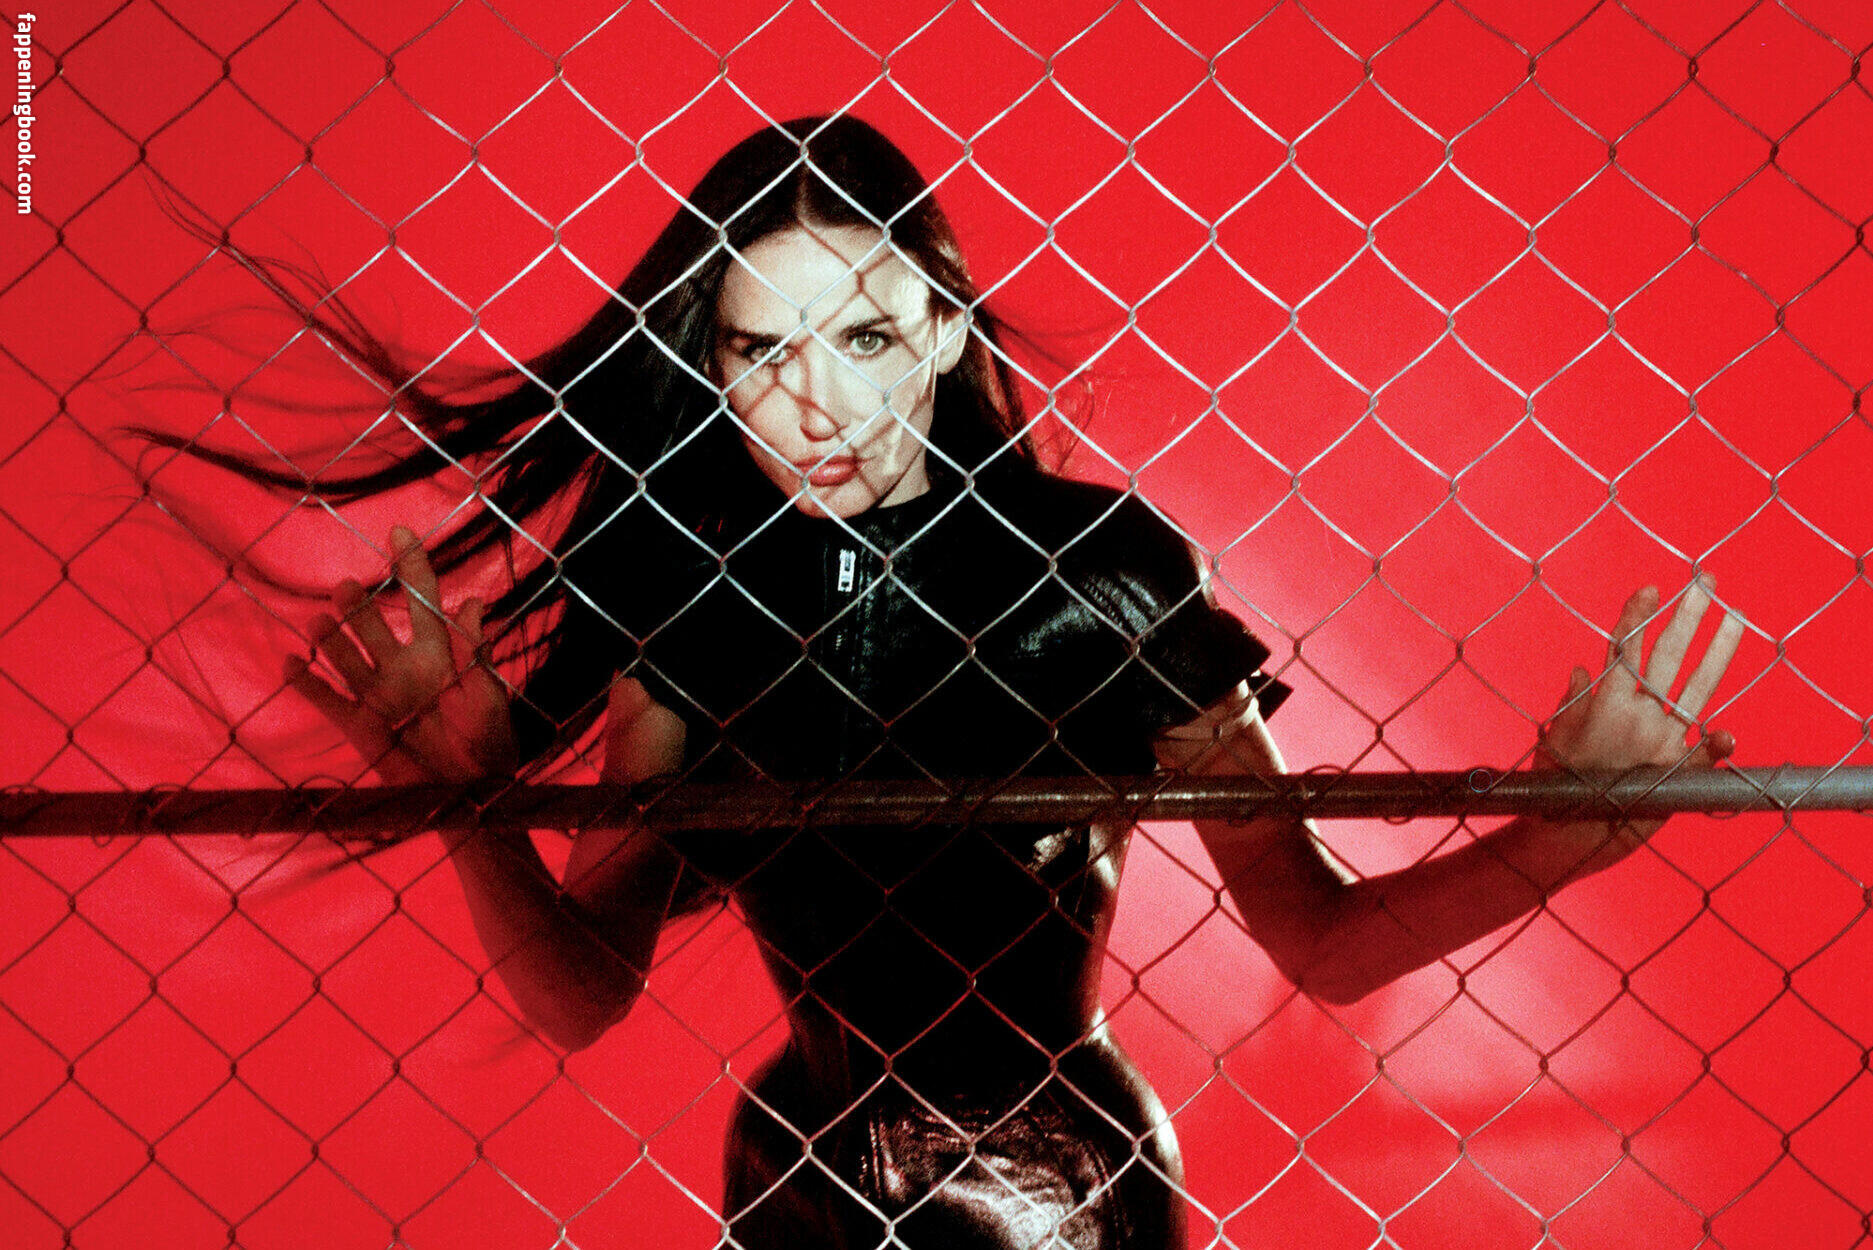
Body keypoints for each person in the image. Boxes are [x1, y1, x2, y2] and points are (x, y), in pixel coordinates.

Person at [168, 116, 1743, 1248]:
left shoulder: (1101, 570)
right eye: (759, 351)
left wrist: (1566, 833)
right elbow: (587, 989)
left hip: (1065, 1198)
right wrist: (463, 799)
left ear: (935, 326)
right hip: (796, 1184)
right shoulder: (697, 594)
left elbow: (1318, 936)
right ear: (711, 366)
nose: (816, 404)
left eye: (861, 336)